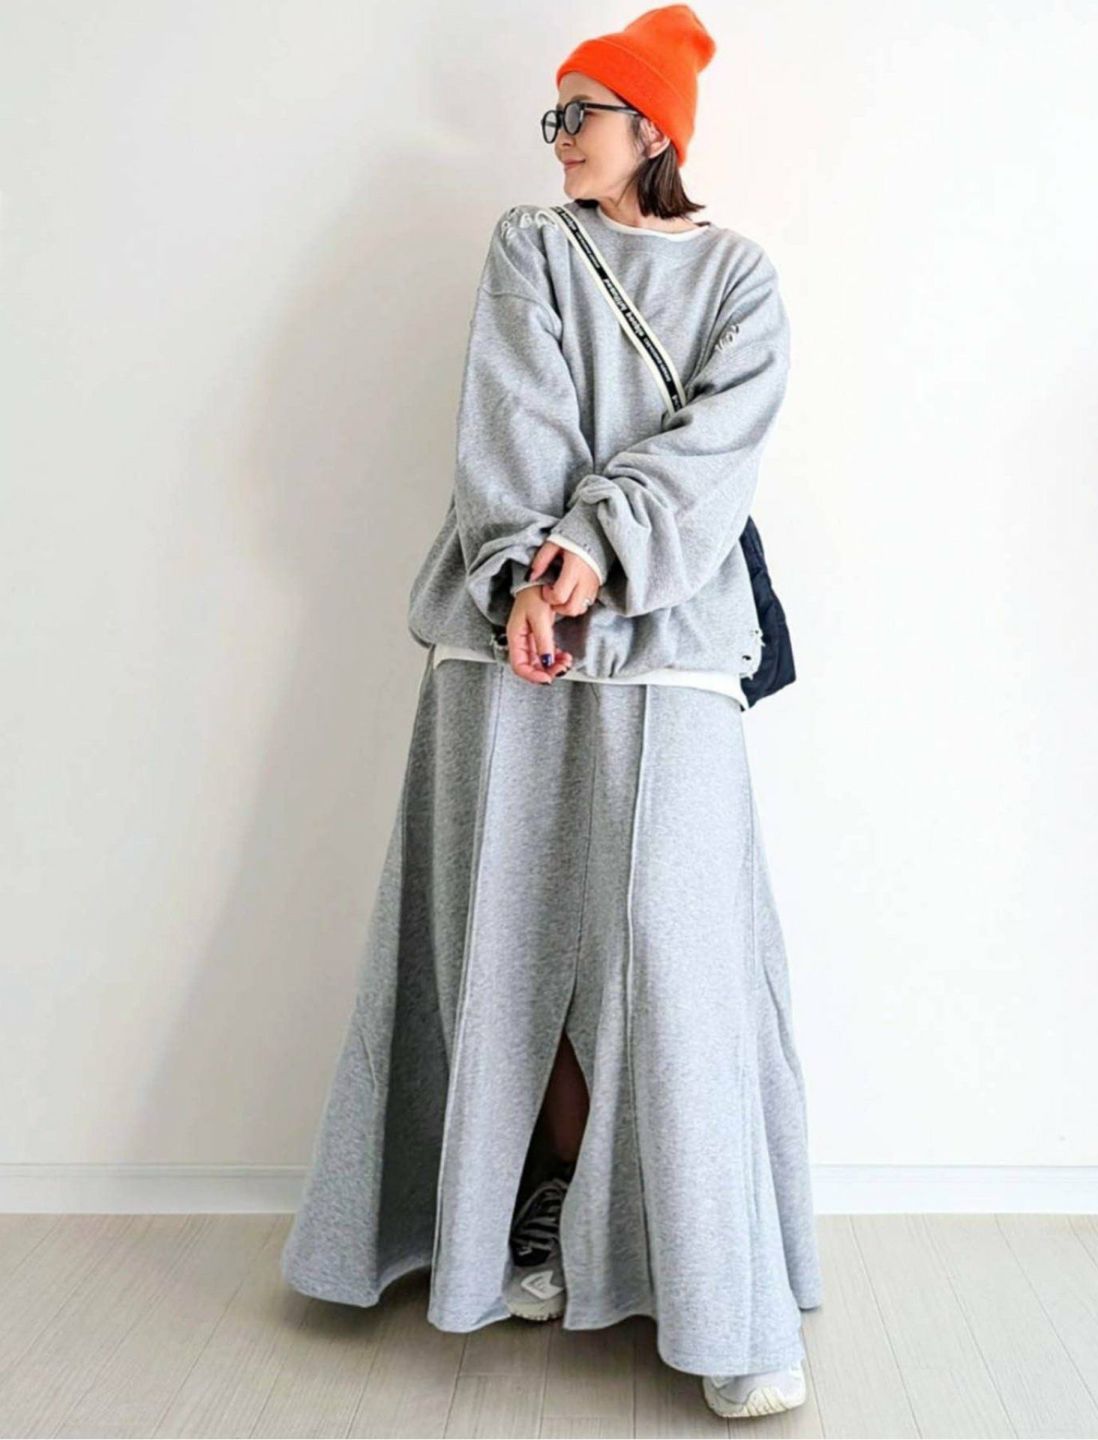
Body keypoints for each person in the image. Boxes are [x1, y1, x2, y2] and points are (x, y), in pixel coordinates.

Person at [280, 3, 823, 1421]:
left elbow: (721, 447)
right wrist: (534, 567)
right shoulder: (532, 242)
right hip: (511, 628)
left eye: (582, 112)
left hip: (674, 640)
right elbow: (511, 415)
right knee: (509, 938)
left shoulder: (742, 277)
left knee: (675, 958)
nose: (560, 135)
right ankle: (534, 1223)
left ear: (654, 131)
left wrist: (600, 543)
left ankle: (728, 1292)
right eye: (556, 113)